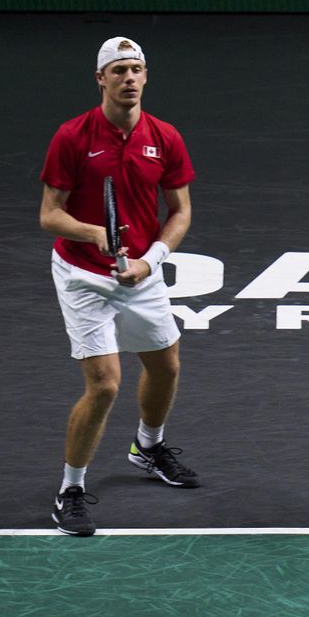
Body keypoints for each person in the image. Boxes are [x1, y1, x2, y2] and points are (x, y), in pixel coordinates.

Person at [40, 37, 198, 536]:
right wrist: (93, 233)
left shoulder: (165, 137)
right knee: (106, 384)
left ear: (145, 76)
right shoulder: (72, 136)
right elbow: (49, 214)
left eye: (136, 69)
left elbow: (180, 211)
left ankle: (148, 447)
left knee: (166, 365)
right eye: (119, 70)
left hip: (141, 272)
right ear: (101, 79)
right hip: (84, 274)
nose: (129, 78)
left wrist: (151, 262)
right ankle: (70, 489)